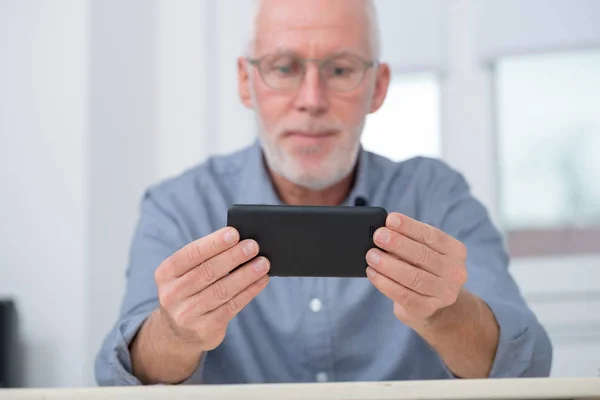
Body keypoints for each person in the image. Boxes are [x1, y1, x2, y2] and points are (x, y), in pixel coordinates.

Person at [95, 0, 552, 385]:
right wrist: (177, 333)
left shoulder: (437, 197)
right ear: (244, 81)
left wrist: (447, 315)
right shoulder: (179, 207)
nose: (311, 99)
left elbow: (529, 366)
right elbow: (119, 377)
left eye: (339, 69)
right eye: (284, 67)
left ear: (379, 86)